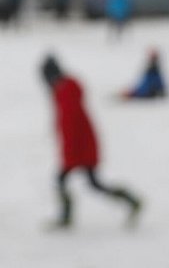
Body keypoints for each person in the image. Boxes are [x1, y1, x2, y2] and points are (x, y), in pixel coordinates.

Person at [40, 54, 142, 229]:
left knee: (76, 181)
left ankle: (67, 218)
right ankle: (130, 201)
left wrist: (69, 154)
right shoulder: (65, 90)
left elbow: (70, 126)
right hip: (82, 146)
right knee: (90, 183)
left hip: (81, 148)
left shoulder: (65, 92)